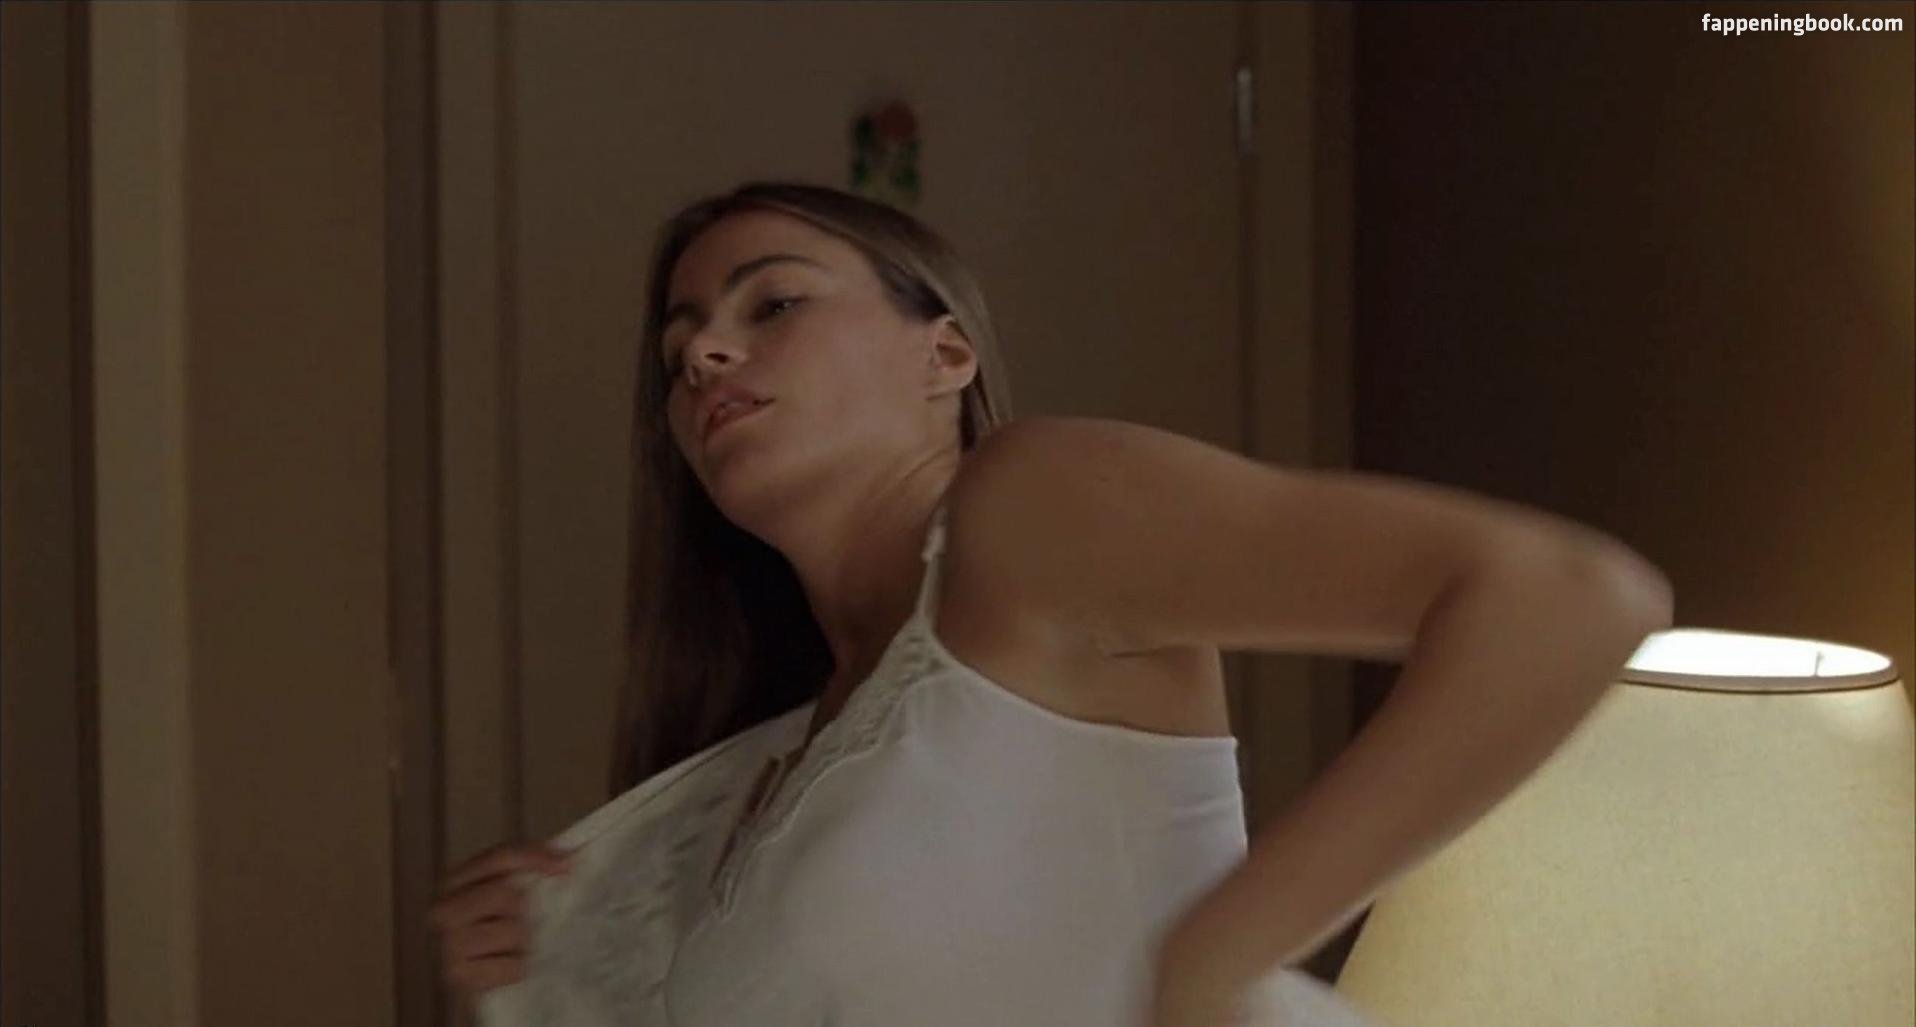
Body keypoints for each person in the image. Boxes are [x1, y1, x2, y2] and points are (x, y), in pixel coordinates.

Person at [429, 180, 1673, 1025]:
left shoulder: (1021, 514)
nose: (704, 353)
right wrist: (535, 966)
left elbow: (1562, 597)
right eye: (680, 347)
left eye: (775, 303)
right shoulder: (759, 773)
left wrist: (1212, 958)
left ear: (945, 355)